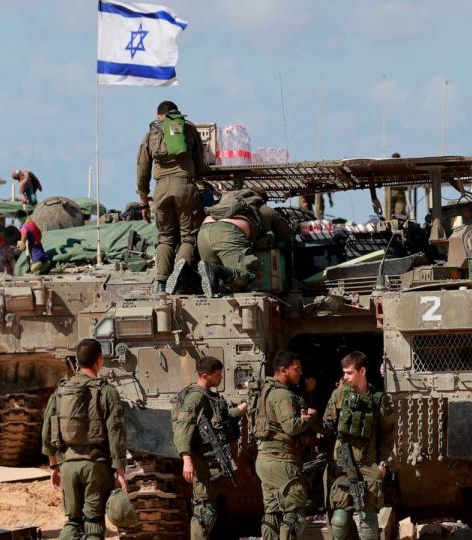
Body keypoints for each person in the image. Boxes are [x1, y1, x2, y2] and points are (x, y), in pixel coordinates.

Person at [42, 338, 128, 540]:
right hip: (96, 467)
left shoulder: (61, 391)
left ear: (77, 361)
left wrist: (53, 467)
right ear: (100, 359)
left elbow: (47, 429)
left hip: (68, 466)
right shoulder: (107, 391)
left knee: (73, 522)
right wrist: (120, 469)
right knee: (94, 523)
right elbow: (116, 431)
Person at [136, 100, 209, 294]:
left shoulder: (150, 135)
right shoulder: (189, 130)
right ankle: (180, 275)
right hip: (185, 186)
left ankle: (161, 282)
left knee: (165, 238)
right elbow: (201, 166)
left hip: (161, 190)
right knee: (188, 237)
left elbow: (142, 172)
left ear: (158, 115)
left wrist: (144, 203)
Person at [321, 352, 396, 540]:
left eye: (349, 373)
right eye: (344, 373)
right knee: (339, 519)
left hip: (368, 463)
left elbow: (388, 434)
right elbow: (326, 427)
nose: (345, 377)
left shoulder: (379, 399)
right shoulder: (339, 395)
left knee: (368, 518)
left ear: (362, 371)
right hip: (343, 463)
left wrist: (383, 464)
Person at [172, 357, 246, 540]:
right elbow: (183, 427)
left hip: (210, 462)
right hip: (201, 461)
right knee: (204, 510)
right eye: (217, 375)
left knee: (210, 507)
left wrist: (239, 411)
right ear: (205, 375)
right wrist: (187, 460)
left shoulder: (209, 396)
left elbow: (220, 417)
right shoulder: (196, 397)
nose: (221, 378)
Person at [254, 351, 316, 540]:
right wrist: (309, 418)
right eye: (296, 369)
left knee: (272, 513)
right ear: (283, 370)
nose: (301, 372)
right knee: (294, 512)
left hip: (264, 459)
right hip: (282, 461)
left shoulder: (266, 391)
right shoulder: (282, 394)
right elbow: (291, 426)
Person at [195, 188, 292, 297]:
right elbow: (286, 235)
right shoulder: (263, 207)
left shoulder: (226, 202)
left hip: (204, 230)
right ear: (263, 200)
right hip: (228, 232)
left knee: (214, 281)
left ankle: (187, 274)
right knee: (244, 277)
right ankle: (213, 269)